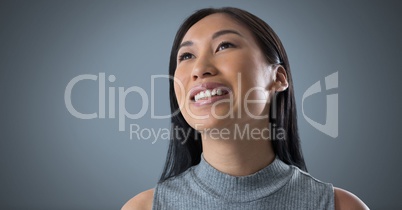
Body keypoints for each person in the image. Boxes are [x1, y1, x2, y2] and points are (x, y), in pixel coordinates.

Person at [122, 7, 369, 210]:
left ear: (279, 78)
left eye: (224, 45)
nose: (199, 68)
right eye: (186, 56)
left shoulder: (340, 206)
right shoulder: (141, 207)